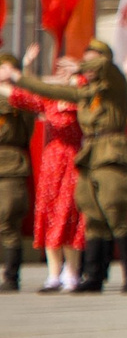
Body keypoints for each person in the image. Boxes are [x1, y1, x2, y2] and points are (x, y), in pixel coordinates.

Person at [6, 40, 127, 293]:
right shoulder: (85, 94)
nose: (87, 66)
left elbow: (103, 65)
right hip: (88, 155)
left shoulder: (115, 84)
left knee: (115, 213)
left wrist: (80, 67)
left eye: (91, 61)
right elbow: (51, 92)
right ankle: (94, 277)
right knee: (94, 216)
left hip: (111, 152)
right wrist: (17, 76)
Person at [12, 56, 84, 290]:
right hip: (52, 163)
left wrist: (77, 75)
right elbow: (20, 96)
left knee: (69, 215)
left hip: (74, 162)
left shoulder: (80, 100)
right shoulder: (49, 101)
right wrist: (27, 67)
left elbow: (89, 86)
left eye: (67, 74)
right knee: (49, 213)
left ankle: (72, 272)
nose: (63, 78)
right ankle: (54, 274)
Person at [0, 67, 30, 291]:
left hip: (11, 166)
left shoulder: (18, 99)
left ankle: (11, 277)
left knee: (8, 219)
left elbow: (21, 105)